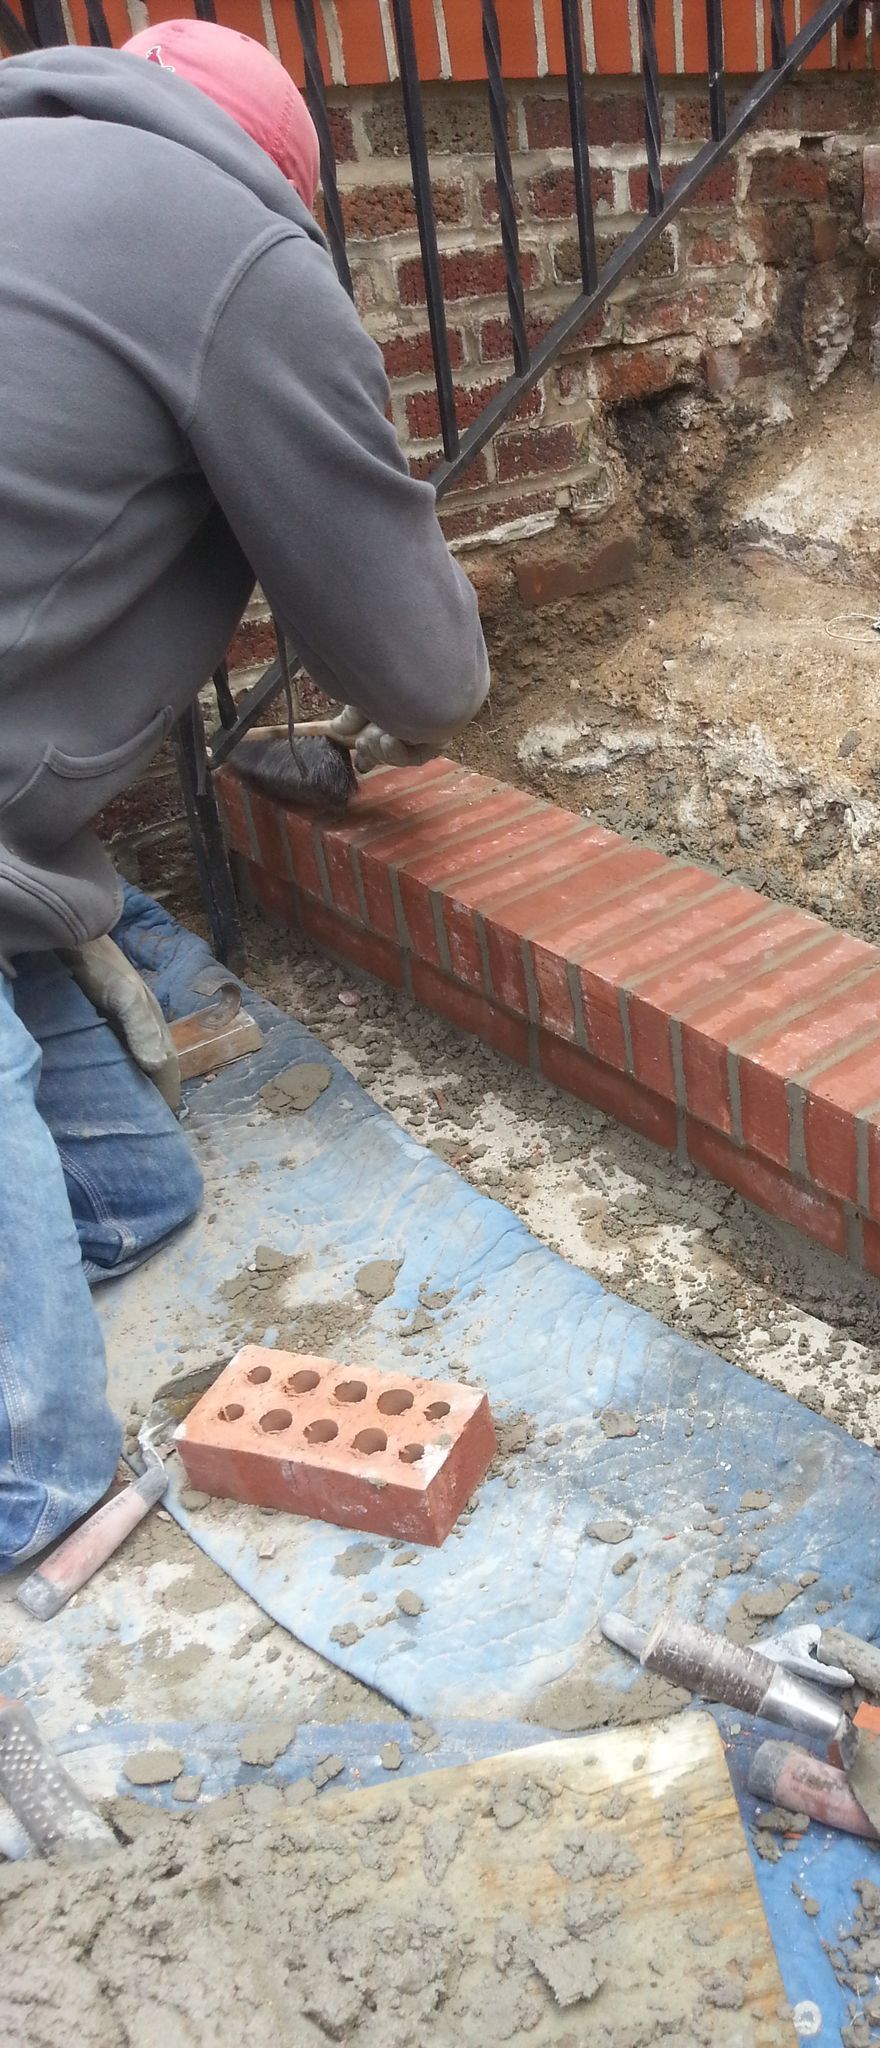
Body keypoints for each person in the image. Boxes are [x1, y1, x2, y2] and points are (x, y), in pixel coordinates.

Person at [0, 22, 489, 1572]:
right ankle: (28, 1497)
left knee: (131, 1197)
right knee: (38, 1454)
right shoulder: (234, 251)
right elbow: (426, 670)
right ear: (289, 176)